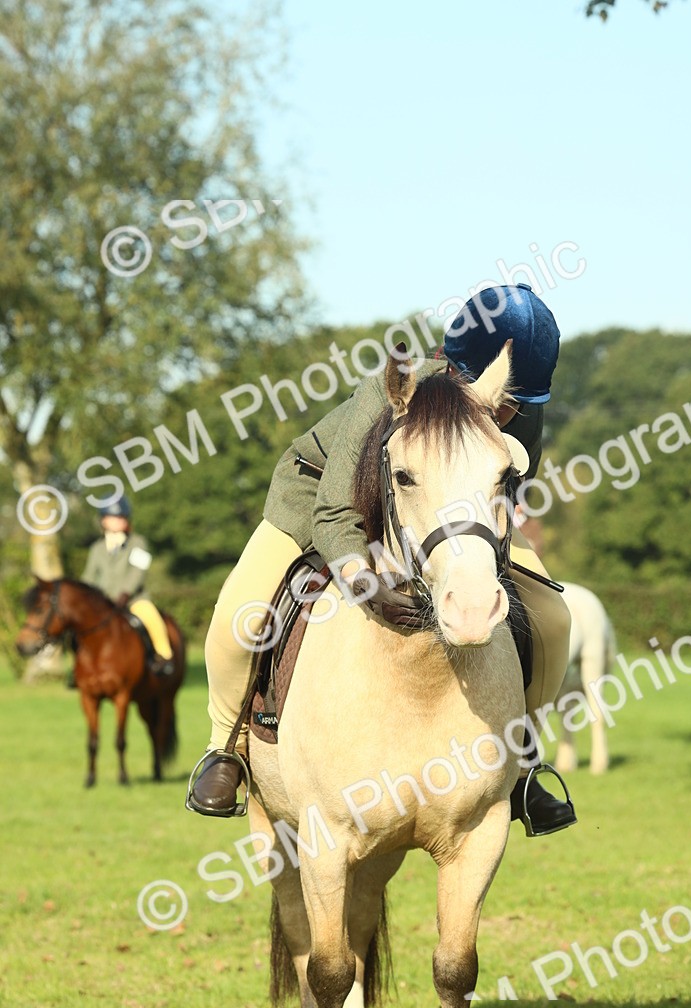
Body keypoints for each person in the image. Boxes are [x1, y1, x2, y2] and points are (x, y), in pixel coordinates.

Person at [188, 284, 575, 836]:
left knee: (556, 619)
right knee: (241, 618)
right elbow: (334, 509)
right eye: (503, 399)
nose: (507, 414)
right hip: (320, 499)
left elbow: (501, 498)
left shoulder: (521, 417)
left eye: (517, 404)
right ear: (456, 367)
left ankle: (524, 763)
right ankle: (223, 747)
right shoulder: (390, 395)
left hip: (447, 523)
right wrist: (359, 575)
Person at [82, 495, 174, 674]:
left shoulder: (138, 543)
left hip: (133, 600)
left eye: (121, 517)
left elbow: (138, 572)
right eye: (113, 517)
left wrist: (125, 593)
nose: (117, 521)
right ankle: (79, 666)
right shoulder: (96, 548)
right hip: (104, 603)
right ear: (103, 521)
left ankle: (164, 657)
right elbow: (89, 576)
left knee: (151, 616)